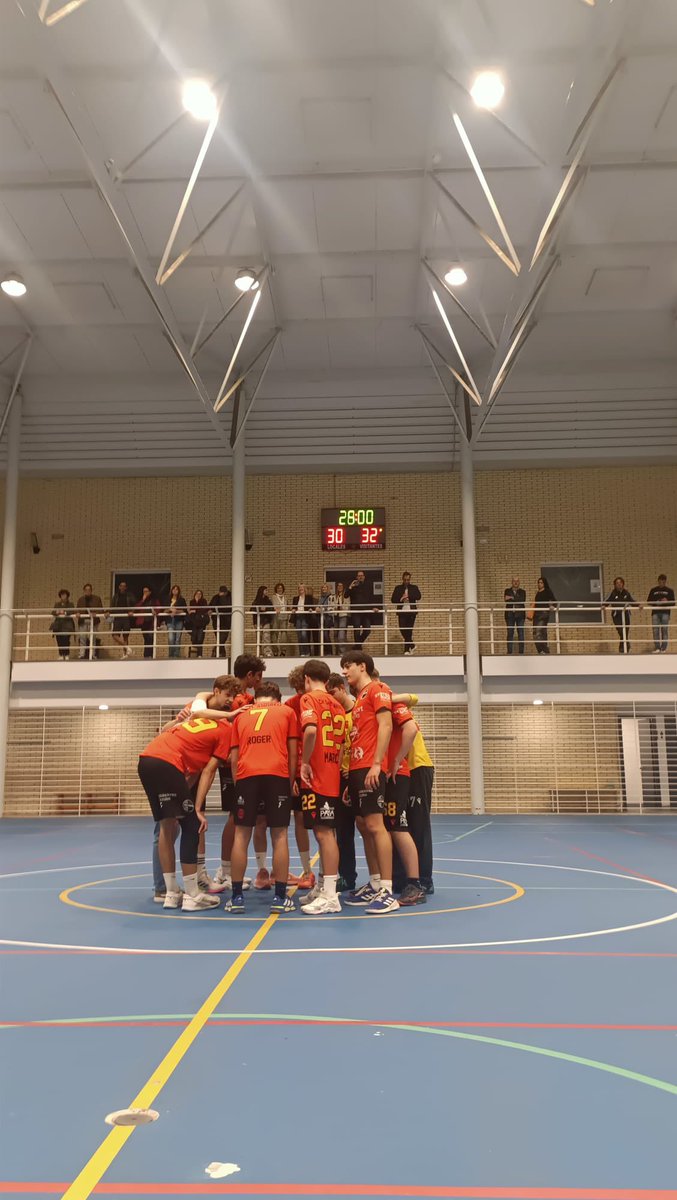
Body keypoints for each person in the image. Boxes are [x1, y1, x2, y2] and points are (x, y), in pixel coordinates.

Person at [218, 682, 299, 915]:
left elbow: (234, 758)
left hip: (246, 776)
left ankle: (236, 898)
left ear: (256, 697)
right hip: (277, 775)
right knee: (280, 834)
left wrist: (239, 784)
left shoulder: (242, 716)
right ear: (277, 698)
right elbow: (292, 751)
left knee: (241, 835)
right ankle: (280, 898)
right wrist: (289, 780)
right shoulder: (286, 712)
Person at [138, 713, 230, 911]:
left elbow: (189, 778)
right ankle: (192, 895)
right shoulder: (227, 732)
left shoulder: (200, 727)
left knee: (166, 824)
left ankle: (170, 893)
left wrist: (184, 804)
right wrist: (196, 810)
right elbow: (208, 771)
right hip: (167, 763)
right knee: (192, 825)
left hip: (146, 760)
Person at [340, 650, 399, 915]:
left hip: (370, 767)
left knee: (376, 825)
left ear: (362, 666)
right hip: (356, 767)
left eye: (347, 666)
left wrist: (377, 763)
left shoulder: (378, 689)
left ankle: (387, 890)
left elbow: (385, 725)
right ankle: (375, 882)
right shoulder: (359, 698)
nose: (344, 672)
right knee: (363, 824)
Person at [210, 655, 266, 891]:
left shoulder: (249, 699)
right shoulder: (233, 700)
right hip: (231, 764)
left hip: (247, 764)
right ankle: (223, 871)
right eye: (259, 676)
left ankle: (232, 869)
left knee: (247, 818)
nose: (260, 681)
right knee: (235, 817)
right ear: (250, 675)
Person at [297, 660, 346, 915]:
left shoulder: (309, 699)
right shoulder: (338, 703)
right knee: (326, 833)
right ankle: (326, 887)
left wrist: (304, 762)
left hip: (317, 775)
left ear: (307, 679)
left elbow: (311, 731)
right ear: (327, 681)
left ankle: (329, 895)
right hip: (331, 773)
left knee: (323, 834)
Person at [385, 699, 426, 905]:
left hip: (396, 774)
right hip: (382, 774)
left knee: (398, 826)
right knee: (386, 828)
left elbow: (411, 729)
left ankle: (415, 885)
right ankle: (383, 882)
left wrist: (397, 759)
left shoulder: (392, 704)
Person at [284, 666, 317, 890]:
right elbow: (292, 744)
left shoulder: (322, 701)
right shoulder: (290, 706)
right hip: (299, 771)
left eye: (301, 686)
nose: (299, 691)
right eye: (296, 689)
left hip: (320, 770)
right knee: (299, 819)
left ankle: (327, 874)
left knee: (323, 825)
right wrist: (293, 775)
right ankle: (307, 871)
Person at [326, 673, 356, 893]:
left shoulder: (359, 711)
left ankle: (384, 878)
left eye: (333, 692)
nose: (331, 698)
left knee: (371, 828)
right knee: (342, 831)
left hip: (360, 774)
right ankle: (347, 875)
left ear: (342, 689)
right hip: (340, 778)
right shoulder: (335, 716)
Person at [391, 572, 421, 655]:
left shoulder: (414, 587)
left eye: (408, 580)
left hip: (411, 612)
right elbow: (393, 599)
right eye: (405, 580)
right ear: (402, 579)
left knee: (409, 631)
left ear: (410, 579)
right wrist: (401, 599)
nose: (406, 581)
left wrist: (408, 596)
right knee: (402, 629)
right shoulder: (398, 588)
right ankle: (412, 645)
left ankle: (406, 650)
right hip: (402, 612)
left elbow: (418, 596)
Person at [604, 577, 635, 654]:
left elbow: (632, 601)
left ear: (623, 584)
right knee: (621, 631)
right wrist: (604, 606)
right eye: (617, 583)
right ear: (614, 585)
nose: (619, 584)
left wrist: (639, 606)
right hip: (616, 615)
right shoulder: (612, 593)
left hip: (626, 614)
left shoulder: (626, 593)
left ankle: (623, 649)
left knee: (626, 632)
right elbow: (606, 601)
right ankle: (626, 646)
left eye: (620, 583)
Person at [647, 574, 675, 652]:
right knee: (655, 630)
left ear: (665, 581)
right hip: (655, 612)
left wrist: (667, 601)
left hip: (665, 612)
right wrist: (656, 602)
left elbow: (673, 603)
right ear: (658, 581)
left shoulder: (670, 591)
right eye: (660, 581)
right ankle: (657, 648)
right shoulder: (653, 590)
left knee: (664, 629)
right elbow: (648, 601)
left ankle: (663, 648)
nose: (661, 583)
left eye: (663, 581)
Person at [529, 576, 556, 654]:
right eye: (538, 583)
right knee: (535, 633)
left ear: (544, 583)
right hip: (536, 615)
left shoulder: (547, 591)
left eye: (541, 583)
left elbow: (553, 600)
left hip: (543, 614)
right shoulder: (538, 593)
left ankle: (546, 651)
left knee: (539, 632)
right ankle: (540, 651)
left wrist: (551, 605)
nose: (539, 584)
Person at [75, 583, 102, 660]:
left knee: (92, 638)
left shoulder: (97, 599)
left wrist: (95, 613)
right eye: (86, 590)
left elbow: (101, 610)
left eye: (89, 590)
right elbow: (77, 610)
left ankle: (92, 654)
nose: (88, 591)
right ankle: (81, 654)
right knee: (82, 637)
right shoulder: (80, 599)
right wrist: (77, 613)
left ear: (91, 590)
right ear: (84, 591)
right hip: (83, 620)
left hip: (93, 621)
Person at [110, 580, 135, 658]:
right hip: (117, 617)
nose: (123, 587)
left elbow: (135, 604)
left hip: (126, 617)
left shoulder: (129, 595)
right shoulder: (116, 596)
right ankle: (127, 648)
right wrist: (108, 612)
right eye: (121, 586)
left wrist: (132, 611)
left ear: (126, 587)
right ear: (119, 587)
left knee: (125, 636)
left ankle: (125, 654)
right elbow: (112, 606)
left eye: (124, 586)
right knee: (114, 635)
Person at [347, 571, 372, 646]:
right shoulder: (353, 587)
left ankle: (357, 645)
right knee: (357, 630)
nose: (360, 577)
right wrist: (350, 586)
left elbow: (371, 597)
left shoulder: (368, 586)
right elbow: (345, 595)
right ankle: (358, 647)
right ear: (357, 577)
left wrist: (374, 607)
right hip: (356, 611)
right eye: (359, 576)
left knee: (367, 630)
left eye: (362, 575)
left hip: (366, 611)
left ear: (364, 577)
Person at [133, 586, 158, 659]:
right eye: (144, 591)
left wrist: (155, 612)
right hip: (144, 623)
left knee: (150, 638)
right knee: (146, 639)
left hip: (151, 622)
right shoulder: (142, 601)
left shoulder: (154, 600)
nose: (145, 593)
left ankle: (150, 655)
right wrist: (142, 600)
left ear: (150, 592)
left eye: (146, 591)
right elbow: (136, 608)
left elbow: (158, 608)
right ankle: (146, 655)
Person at [291, 584, 317, 655]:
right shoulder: (295, 598)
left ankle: (307, 652)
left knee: (304, 634)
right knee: (299, 636)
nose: (300, 589)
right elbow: (294, 607)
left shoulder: (309, 597)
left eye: (302, 588)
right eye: (299, 588)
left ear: (305, 589)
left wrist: (311, 609)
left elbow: (312, 606)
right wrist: (293, 609)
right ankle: (302, 653)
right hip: (298, 617)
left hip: (305, 617)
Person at [503, 577, 526, 655]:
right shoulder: (507, 590)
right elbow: (506, 599)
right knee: (510, 633)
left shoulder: (523, 592)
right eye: (514, 581)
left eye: (517, 581)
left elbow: (522, 600)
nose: (515, 582)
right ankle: (509, 652)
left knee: (521, 633)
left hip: (520, 615)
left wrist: (511, 597)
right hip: (510, 615)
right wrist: (515, 598)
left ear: (519, 582)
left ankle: (521, 652)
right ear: (512, 582)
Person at [163, 584, 187, 659]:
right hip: (170, 621)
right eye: (174, 589)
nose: (175, 590)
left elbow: (184, 610)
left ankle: (176, 655)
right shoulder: (167, 599)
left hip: (179, 620)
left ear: (178, 591)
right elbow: (164, 610)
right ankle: (171, 655)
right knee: (171, 638)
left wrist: (176, 611)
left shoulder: (181, 599)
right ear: (172, 590)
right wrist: (170, 609)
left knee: (177, 638)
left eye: (177, 589)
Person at [51, 589, 75, 660]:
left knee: (66, 640)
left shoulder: (70, 604)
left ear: (67, 596)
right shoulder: (57, 604)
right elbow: (53, 612)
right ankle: (61, 654)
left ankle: (66, 654)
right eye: (62, 595)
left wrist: (63, 612)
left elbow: (71, 611)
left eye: (64, 595)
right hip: (58, 624)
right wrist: (57, 612)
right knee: (59, 639)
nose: (63, 596)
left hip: (67, 624)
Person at [251, 585, 274, 657]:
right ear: (262, 591)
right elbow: (252, 609)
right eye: (265, 590)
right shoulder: (256, 600)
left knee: (266, 636)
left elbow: (271, 608)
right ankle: (260, 653)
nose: (267, 592)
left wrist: (265, 609)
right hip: (258, 621)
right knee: (259, 637)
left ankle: (267, 652)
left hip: (266, 620)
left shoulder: (268, 600)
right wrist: (260, 609)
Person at [209, 585, 232, 658]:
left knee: (223, 638)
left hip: (226, 621)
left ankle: (215, 650)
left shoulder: (230, 597)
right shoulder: (215, 597)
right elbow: (211, 606)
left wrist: (222, 598)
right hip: (217, 621)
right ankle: (222, 653)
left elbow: (228, 607)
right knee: (219, 638)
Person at [186, 589, 210, 658]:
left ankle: (199, 654)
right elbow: (191, 610)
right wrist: (196, 603)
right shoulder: (192, 601)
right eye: (197, 594)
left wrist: (195, 610)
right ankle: (195, 654)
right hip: (194, 623)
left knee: (200, 638)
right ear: (195, 595)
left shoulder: (204, 601)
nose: (198, 595)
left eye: (200, 594)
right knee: (194, 638)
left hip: (201, 623)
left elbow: (203, 609)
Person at [271, 582, 289, 657]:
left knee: (284, 633)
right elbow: (272, 606)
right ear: (276, 589)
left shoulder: (286, 597)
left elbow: (286, 606)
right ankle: (275, 651)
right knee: (274, 633)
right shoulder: (273, 597)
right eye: (278, 588)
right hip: (275, 617)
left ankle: (283, 651)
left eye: (281, 588)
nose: (280, 589)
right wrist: (275, 608)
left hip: (284, 616)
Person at [332, 582, 350, 654]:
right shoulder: (334, 596)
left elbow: (348, 605)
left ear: (343, 587)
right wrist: (334, 608)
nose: (339, 587)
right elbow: (332, 605)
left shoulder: (346, 595)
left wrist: (343, 607)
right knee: (336, 633)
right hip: (336, 616)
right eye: (338, 586)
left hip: (343, 615)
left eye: (341, 586)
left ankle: (342, 652)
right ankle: (337, 651)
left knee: (341, 633)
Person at [318, 583, 335, 655]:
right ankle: (324, 651)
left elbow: (331, 607)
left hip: (327, 617)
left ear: (328, 588)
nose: (324, 589)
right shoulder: (321, 597)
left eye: (325, 587)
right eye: (322, 587)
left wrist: (322, 608)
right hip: (321, 618)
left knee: (326, 634)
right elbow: (319, 606)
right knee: (322, 635)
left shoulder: (331, 597)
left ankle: (329, 652)